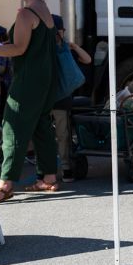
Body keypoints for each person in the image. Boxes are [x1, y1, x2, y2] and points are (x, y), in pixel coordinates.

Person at [0, 0, 58, 202]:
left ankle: (5, 184)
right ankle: (49, 178)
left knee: (12, 125)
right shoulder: (44, 9)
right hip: (45, 77)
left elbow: (19, 49)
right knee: (41, 126)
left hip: (29, 79)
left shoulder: (26, 14)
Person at [51, 14, 91, 184]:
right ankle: (60, 169)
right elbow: (87, 60)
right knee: (61, 135)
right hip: (58, 100)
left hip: (51, 100)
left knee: (54, 135)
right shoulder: (62, 50)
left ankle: (57, 170)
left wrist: (72, 46)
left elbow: (87, 59)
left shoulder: (62, 49)